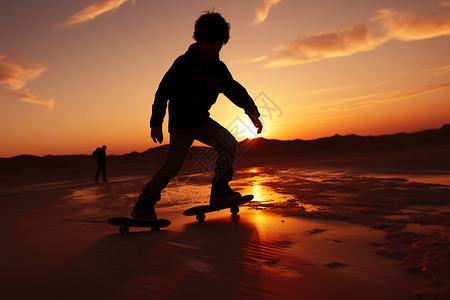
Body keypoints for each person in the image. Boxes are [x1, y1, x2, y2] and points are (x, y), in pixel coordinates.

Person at [131, 11, 263, 220]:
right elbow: (162, 92)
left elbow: (235, 90)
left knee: (228, 142)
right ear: (199, 39)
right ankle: (144, 203)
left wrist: (252, 112)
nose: (215, 48)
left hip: (202, 121)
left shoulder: (219, 69)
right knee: (173, 166)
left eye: (219, 43)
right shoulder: (183, 63)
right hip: (182, 124)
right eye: (211, 42)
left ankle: (220, 190)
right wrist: (156, 122)